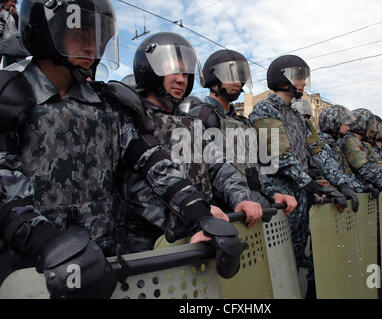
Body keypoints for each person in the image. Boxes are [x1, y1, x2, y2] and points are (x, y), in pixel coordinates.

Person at [0, 0, 240, 298]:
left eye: (96, 36)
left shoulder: (109, 105)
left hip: (106, 261)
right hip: (34, 270)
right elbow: (5, 185)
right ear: (47, 32)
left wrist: (198, 213)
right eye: (78, 34)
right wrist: (47, 243)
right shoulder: (11, 98)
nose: (91, 46)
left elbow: (153, 164)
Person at [123, 33, 262, 258]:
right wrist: (196, 216)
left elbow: (218, 165)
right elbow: (136, 189)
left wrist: (242, 197)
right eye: (172, 70)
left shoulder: (190, 123)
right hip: (153, 245)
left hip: (200, 232)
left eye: (186, 73)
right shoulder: (132, 118)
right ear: (148, 70)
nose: (181, 79)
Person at [248, 54, 349, 299]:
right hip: (280, 200)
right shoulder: (265, 110)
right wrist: (311, 183)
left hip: (300, 199)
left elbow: (318, 150)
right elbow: (279, 156)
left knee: (293, 263)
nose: (303, 82)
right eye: (299, 77)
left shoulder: (296, 116)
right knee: (277, 266)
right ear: (283, 79)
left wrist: (342, 183)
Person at [187, 49, 297, 214]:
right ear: (214, 78)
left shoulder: (241, 122)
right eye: (231, 75)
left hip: (251, 209)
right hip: (226, 213)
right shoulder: (202, 116)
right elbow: (196, 175)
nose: (239, 82)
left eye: (241, 75)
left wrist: (273, 193)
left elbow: (253, 170)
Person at [340, 108, 382, 198]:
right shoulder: (350, 141)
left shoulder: (360, 143)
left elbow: (375, 167)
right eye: (370, 125)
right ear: (362, 125)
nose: (373, 129)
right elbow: (365, 168)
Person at [0, 0, 19, 66]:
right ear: (6, 2)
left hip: (13, 45)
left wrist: (15, 15)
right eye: (12, 1)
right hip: (3, 44)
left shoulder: (17, 13)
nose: (14, 4)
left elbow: (21, 27)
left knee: (14, 66)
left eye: (15, 2)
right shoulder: (1, 12)